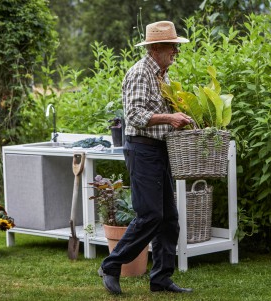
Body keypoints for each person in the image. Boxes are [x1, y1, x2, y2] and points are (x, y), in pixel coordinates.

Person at [98, 20, 193, 294]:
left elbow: (161, 117)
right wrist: (169, 117)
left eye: (176, 47)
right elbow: (135, 117)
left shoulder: (163, 77)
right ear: (156, 48)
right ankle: (111, 265)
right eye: (172, 47)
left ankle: (161, 279)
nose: (176, 52)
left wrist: (182, 118)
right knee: (150, 214)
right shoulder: (140, 73)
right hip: (142, 149)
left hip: (159, 149)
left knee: (169, 219)